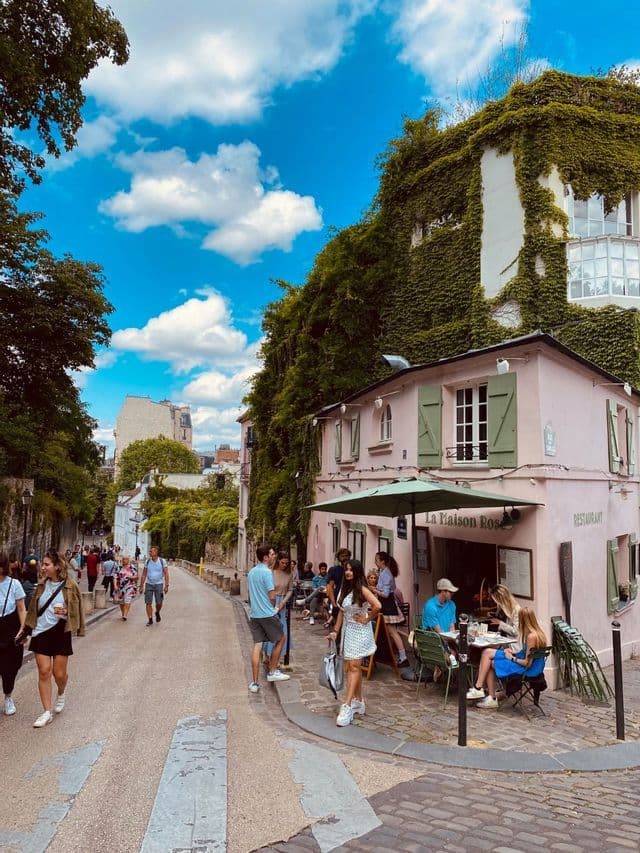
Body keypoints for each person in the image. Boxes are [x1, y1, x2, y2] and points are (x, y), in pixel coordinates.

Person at [24, 549, 85, 728]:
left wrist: (67, 614)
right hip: (41, 633)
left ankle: (61, 691)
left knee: (59, 674)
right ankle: (46, 712)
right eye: (43, 564)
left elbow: (77, 609)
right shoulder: (41, 585)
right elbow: (33, 610)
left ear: (57, 566)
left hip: (60, 632)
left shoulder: (70, 585)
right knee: (44, 671)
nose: (42, 568)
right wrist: (26, 629)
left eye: (46, 564)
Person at [326, 559, 381, 727]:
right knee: (351, 667)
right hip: (347, 633)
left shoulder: (362, 589)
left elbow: (377, 605)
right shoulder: (344, 588)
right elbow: (342, 612)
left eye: (351, 570)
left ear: (357, 572)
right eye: (346, 569)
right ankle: (359, 701)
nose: (348, 572)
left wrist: (367, 619)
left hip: (359, 632)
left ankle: (347, 705)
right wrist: (335, 631)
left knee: (354, 667)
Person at [466, 607, 548, 709]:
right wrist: (512, 652)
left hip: (526, 669)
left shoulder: (531, 637)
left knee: (489, 662)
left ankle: (484, 693)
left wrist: (512, 658)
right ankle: (480, 690)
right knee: (487, 652)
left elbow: (528, 663)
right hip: (524, 663)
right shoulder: (539, 634)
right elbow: (526, 654)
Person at [247, 544, 290, 693]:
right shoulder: (266, 573)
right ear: (265, 557)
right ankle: (272, 671)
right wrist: (274, 607)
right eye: (272, 554)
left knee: (257, 645)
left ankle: (254, 683)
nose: (274, 557)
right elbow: (272, 596)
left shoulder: (252, 572)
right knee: (281, 638)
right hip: (267, 613)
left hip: (255, 614)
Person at [0, 553, 27, 716]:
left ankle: (8, 697)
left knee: (10, 668)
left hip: (10, 628)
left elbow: (21, 608)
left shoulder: (14, 584)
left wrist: (23, 630)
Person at [375, 551, 409, 667]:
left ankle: (403, 657)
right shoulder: (385, 572)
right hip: (387, 603)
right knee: (390, 632)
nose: (375, 562)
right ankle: (396, 655)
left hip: (387, 604)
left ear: (382, 561)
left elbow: (385, 594)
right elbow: (392, 588)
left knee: (393, 632)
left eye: (377, 560)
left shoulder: (386, 574)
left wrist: (374, 590)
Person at [264, 551, 294, 663]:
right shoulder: (271, 572)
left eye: (286, 563)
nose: (284, 565)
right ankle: (267, 655)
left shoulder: (289, 574)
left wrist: (283, 602)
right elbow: (266, 588)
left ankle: (276, 658)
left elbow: (290, 589)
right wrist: (271, 603)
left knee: (282, 631)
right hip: (270, 601)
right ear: (278, 561)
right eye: (282, 562)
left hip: (282, 602)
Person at [138, 546, 168, 626]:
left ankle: (157, 612)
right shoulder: (147, 561)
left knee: (159, 602)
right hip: (149, 584)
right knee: (148, 602)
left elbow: (166, 573)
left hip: (159, 584)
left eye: (151, 551)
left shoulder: (162, 561)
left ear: (156, 552)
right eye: (150, 551)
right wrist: (141, 586)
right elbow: (144, 574)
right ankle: (150, 619)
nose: (150, 552)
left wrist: (166, 585)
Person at [325, 547, 350, 628]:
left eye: (346, 556)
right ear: (338, 558)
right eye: (342, 556)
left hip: (350, 598)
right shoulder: (334, 570)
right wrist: (333, 603)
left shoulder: (352, 569)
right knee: (338, 624)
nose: (345, 558)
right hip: (338, 597)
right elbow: (330, 587)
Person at [114, 555, 138, 621]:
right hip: (120, 587)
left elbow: (136, 577)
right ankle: (123, 613)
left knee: (128, 600)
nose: (125, 560)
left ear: (128, 560)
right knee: (121, 602)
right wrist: (115, 585)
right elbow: (115, 577)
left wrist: (130, 577)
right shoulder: (119, 567)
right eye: (124, 559)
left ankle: (125, 614)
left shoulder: (132, 568)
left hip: (130, 586)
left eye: (126, 559)